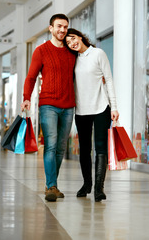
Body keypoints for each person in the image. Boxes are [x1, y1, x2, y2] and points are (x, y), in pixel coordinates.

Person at [21, 13, 76, 202]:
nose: (62, 30)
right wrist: (26, 97)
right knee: (51, 145)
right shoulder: (41, 50)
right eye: (59, 26)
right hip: (48, 105)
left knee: (61, 148)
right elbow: (31, 77)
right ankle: (51, 185)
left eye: (65, 27)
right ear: (50, 28)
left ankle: (51, 184)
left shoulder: (72, 51)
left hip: (68, 105)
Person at [65, 28, 119, 202]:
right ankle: (87, 183)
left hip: (101, 107)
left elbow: (109, 79)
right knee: (84, 150)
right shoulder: (72, 59)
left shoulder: (98, 53)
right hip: (81, 110)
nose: (71, 43)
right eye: (68, 42)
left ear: (80, 37)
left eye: (72, 38)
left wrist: (114, 107)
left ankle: (99, 188)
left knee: (101, 148)